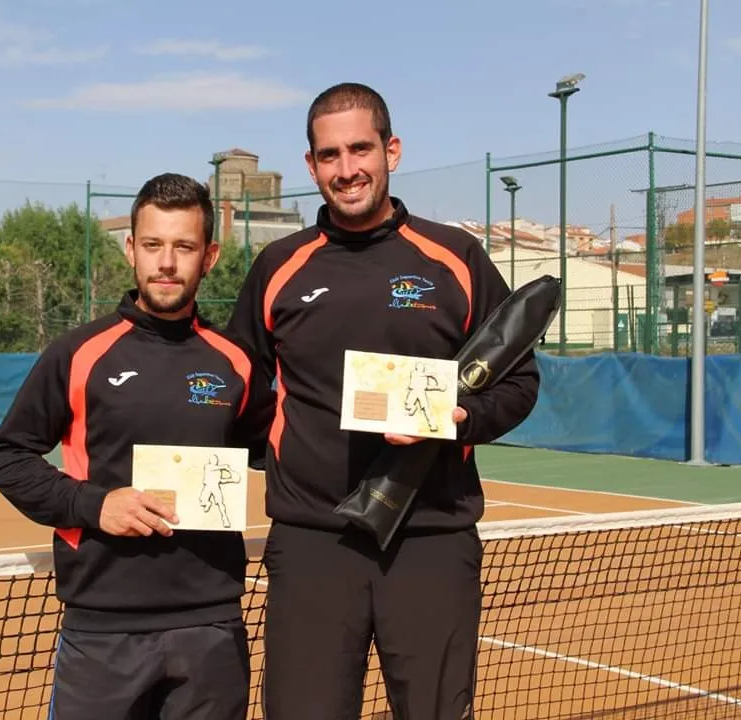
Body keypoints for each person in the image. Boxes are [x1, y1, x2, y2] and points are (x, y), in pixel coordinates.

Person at [226, 82, 541, 719]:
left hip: (432, 540)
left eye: (360, 149)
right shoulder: (279, 265)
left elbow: (518, 382)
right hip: (313, 545)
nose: (347, 169)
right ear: (312, 164)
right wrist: (287, 455)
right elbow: (238, 387)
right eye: (330, 155)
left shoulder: (456, 257)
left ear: (390, 150)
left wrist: (459, 421)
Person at [0, 172, 273, 720]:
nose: (167, 262)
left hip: (211, 627)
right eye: (154, 245)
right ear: (131, 249)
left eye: (184, 246)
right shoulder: (79, 352)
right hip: (103, 631)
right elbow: (8, 457)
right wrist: (95, 505)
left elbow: (275, 447)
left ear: (209, 256)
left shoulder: (235, 361)